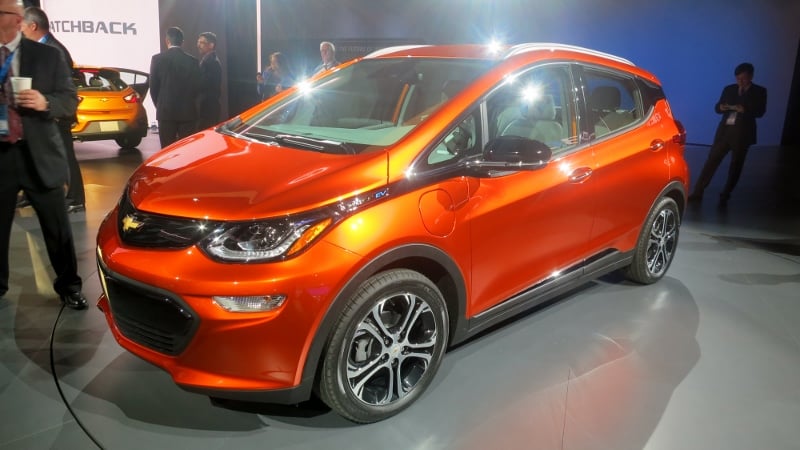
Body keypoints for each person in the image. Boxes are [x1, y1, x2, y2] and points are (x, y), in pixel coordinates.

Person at [0, 0, 86, 309]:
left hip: (39, 154)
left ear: (16, 19)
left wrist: (45, 102)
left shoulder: (47, 55)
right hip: (2, 156)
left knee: (56, 227)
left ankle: (69, 285)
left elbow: (69, 100)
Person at [20, 6, 85, 213]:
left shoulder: (55, 50)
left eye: (22, 26)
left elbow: (66, 90)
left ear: (33, 26)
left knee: (65, 156)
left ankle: (76, 198)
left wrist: (48, 104)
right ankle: (32, 194)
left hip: (57, 114)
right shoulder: (37, 49)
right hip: (40, 114)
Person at [688, 62, 767, 206]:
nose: (740, 81)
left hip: (743, 134)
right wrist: (721, 107)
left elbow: (760, 112)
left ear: (751, 76)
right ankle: (698, 191)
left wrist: (745, 110)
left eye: (743, 78)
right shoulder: (729, 89)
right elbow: (717, 108)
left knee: (736, 165)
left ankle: (726, 194)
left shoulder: (759, 91)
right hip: (725, 132)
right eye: (738, 78)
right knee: (711, 160)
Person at [150, 26, 200, 148]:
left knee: (167, 150)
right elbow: (197, 87)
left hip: (166, 112)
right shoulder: (193, 61)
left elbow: (153, 88)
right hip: (187, 112)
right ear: (182, 42)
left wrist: (160, 105)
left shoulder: (157, 59)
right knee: (186, 150)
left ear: (167, 40)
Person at [196, 31, 222, 130]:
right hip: (206, 106)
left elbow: (204, 84)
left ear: (211, 45)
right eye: (198, 42)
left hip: (209, 108)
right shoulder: (207, 60)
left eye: (202, 42)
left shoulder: (212, 62)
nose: (198, 45)